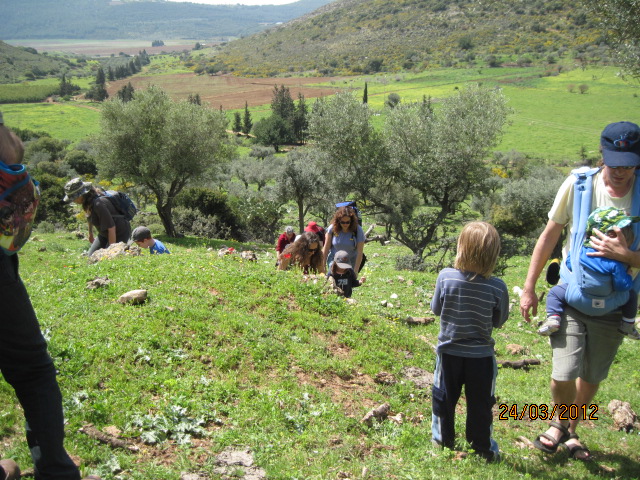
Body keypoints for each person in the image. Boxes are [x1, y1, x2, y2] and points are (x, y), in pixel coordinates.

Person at [521, 121, 640, 461]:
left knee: (590, 376)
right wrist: (529, 286)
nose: (621, 171)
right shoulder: (579, 184)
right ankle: (559, 423)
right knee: (563, 373)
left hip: (617, 303)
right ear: (602, 154)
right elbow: (550, 235)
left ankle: (569, 431)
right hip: (572, 297)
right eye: (614, 162)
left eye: (629, 163)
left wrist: (627, 256)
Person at [0, 117, 101, 479]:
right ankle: (56, 472)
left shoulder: (100, 205)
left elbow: (106, 228)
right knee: (33, 371)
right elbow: (9, 153)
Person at [430, 221, 509, 462]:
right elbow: (499, 320)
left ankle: (442, 441)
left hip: (449, 353)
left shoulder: (445, 277)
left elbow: (436, 309)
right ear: (493, 253)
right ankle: (482, 446)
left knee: (443, 398)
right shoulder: (497, 287)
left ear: (461, 247)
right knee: (481, 404)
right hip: (481, 358)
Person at [539, 207, 640, 339]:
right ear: (610, 236)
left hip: (577, 297)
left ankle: (553, 318)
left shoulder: (580, 251)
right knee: (631, 295)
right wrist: (628, 274)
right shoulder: (616, 262)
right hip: (606, 304)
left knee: (554, 293)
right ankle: (627, 324)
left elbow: (569, 264)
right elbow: (621, 286)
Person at [63, 178, 131, 256]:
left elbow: (111, 228)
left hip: (119, 232)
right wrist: (90, 234)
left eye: (73, 198)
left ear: (81, 194)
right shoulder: (87, 202)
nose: (73, 200)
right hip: (104, 233)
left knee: (111, 258)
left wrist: (111, 250)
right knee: (91, 256)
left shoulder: (98, 204)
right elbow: (89, 216)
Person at [323, 206, 365, 274]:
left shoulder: (358, 230)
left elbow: (359, 252)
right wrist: (323, 265)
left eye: (347, 222)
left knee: (347, 283)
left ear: (351, 221)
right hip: (334, 262)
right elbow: (326, 247)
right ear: (338, 221)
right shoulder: (332, 228)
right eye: (343, 222)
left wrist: (355, 271)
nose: (345, 224)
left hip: (351, 263)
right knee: (334, 282)